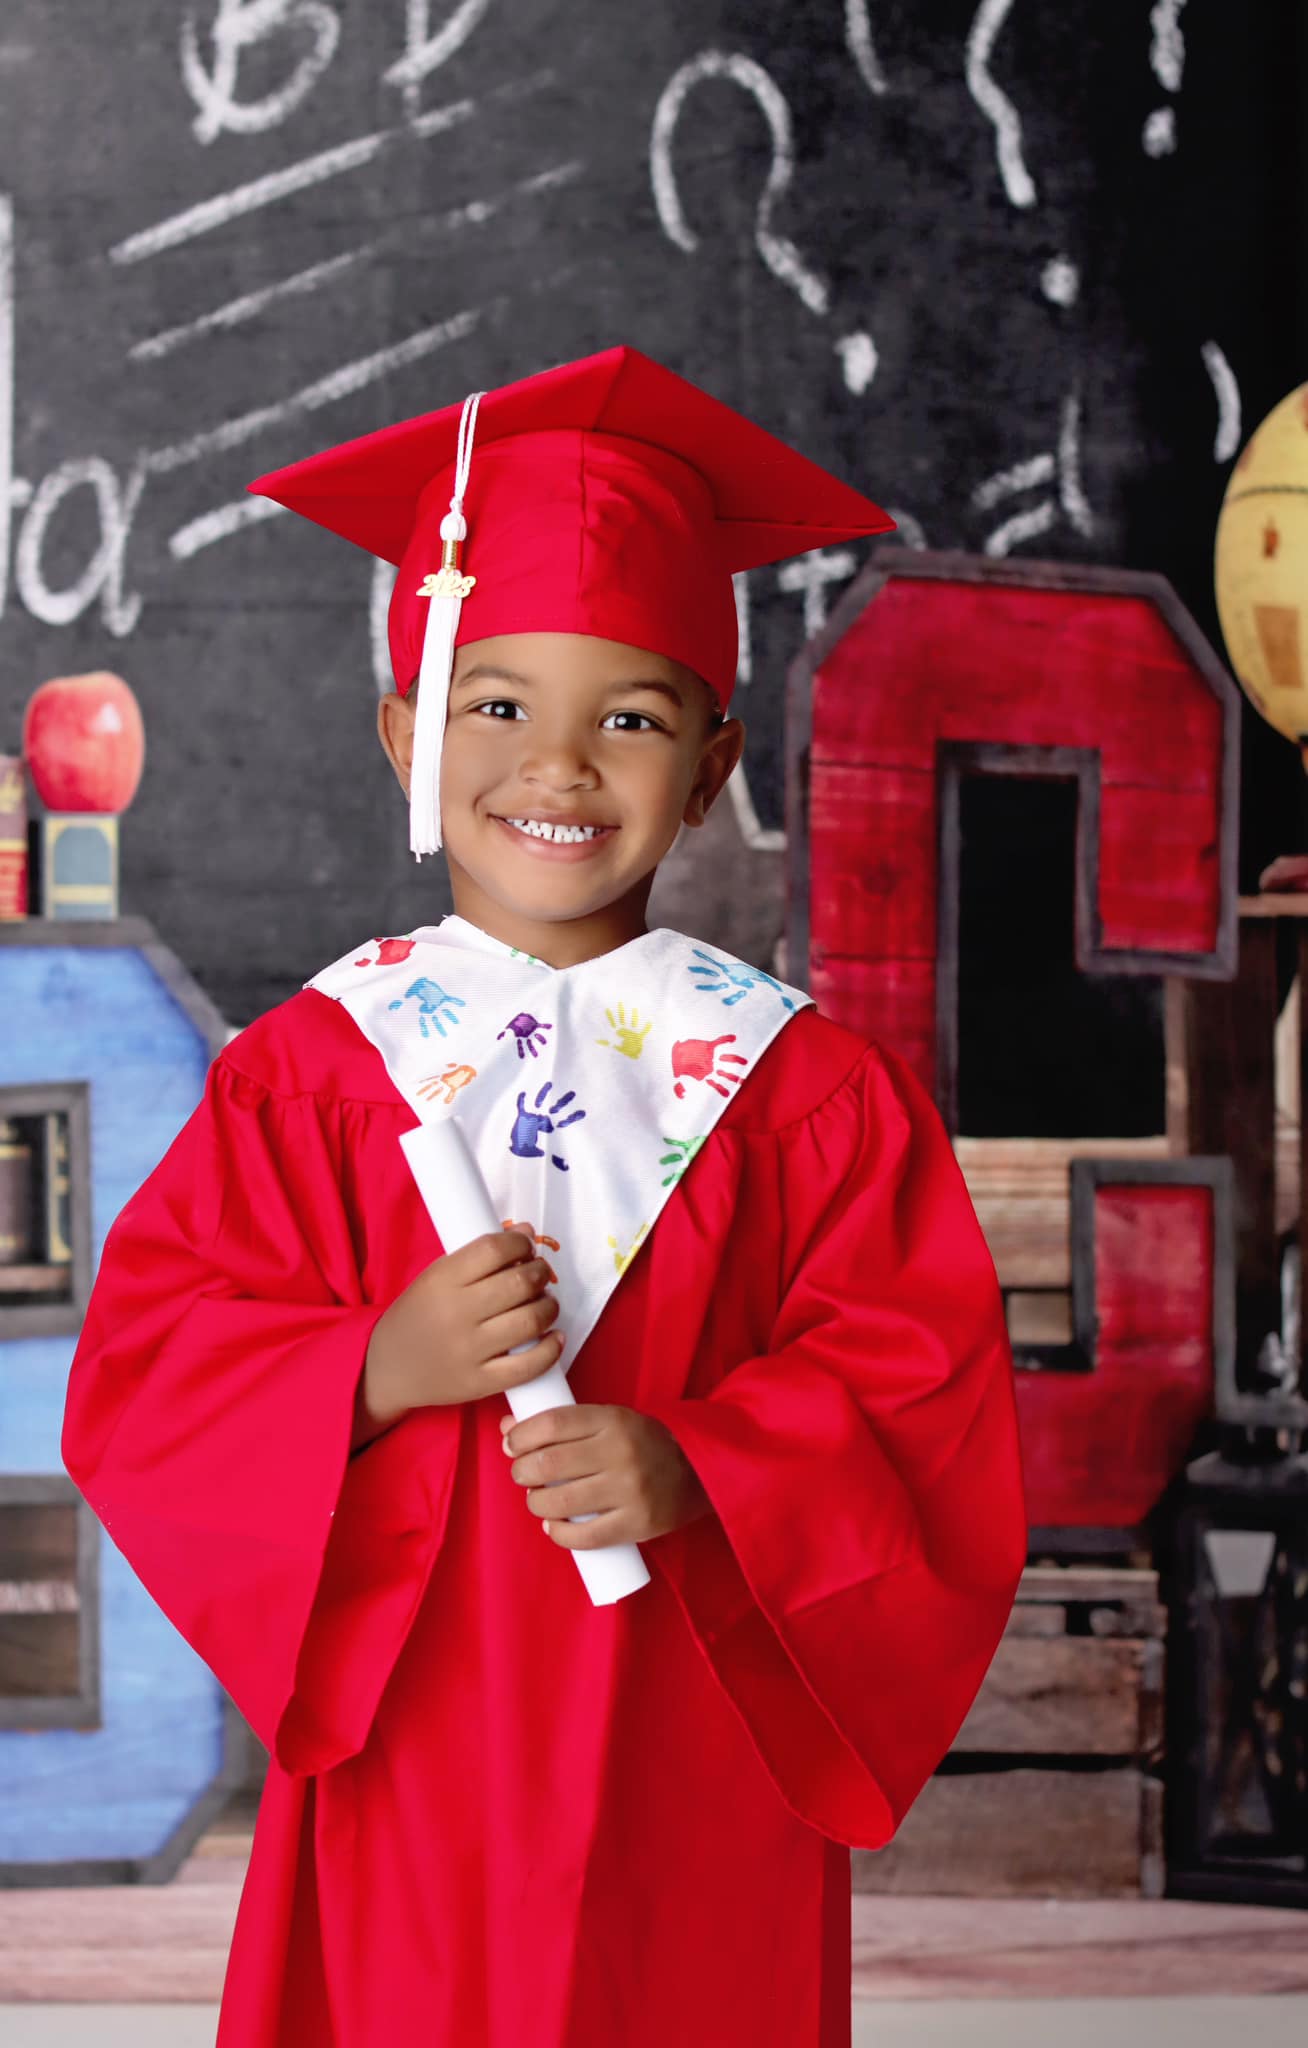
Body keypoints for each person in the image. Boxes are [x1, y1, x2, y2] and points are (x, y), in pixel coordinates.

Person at [60, 345, 1026, 2048]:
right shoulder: (316, 1071)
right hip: (416, 1737)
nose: (557, 770)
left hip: (694, 1741)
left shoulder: (809, 1093)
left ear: (714, 762)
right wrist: (370, 1368)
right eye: (495, 706)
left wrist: (704, 1461)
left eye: (630, 718)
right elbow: (149, 1369)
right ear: (408, 736)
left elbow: (920, 1399)